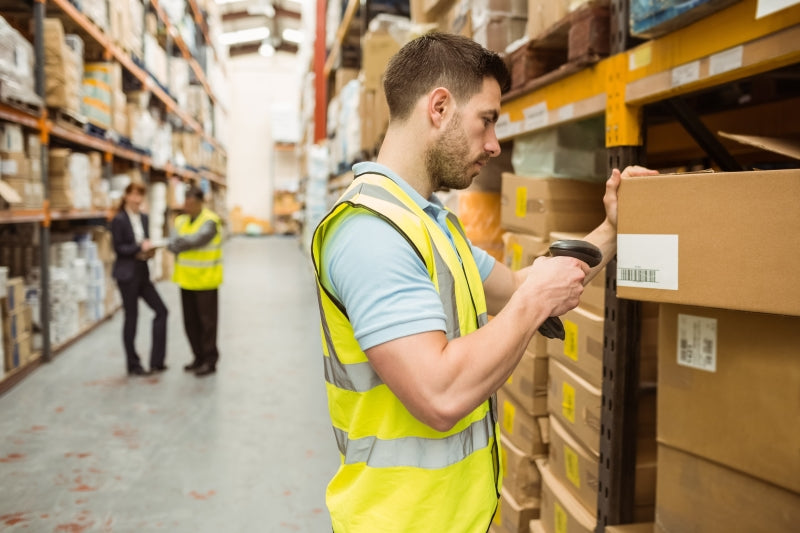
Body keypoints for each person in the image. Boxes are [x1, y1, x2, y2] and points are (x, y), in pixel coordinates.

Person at [310, 32, 657, 533]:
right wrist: (534, 301)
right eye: (487, 120)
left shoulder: (430, 225)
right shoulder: (371, 233)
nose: (494, 144)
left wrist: (611, 230)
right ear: (439, 107)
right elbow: (439, 396)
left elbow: (521, 285)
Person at [111, 182, 168, 376]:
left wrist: (149, 251)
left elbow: (144, 242)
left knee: (162, 311)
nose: (137, 199)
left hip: (142, 272)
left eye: (140, 195)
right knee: (131, 318)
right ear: (126, 196)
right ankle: (133, 364)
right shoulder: (118, 220)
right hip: (127, 275)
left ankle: (157, 362)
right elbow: (119, 248)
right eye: (134, 195)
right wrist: (138, 249)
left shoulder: (144, 218)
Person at [167, 185, 223, 377]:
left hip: (206, 281)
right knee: (190, 323)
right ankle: (197, 357)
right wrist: (180, 242)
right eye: (186, 203)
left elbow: (197, 240)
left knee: (207, 324)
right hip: (186, 281)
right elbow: (172, 242)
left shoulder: (211, 221)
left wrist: (180, 242)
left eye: (191, 203)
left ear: (200, 203)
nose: (187, 207)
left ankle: (210, 360)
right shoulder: (180, 220)